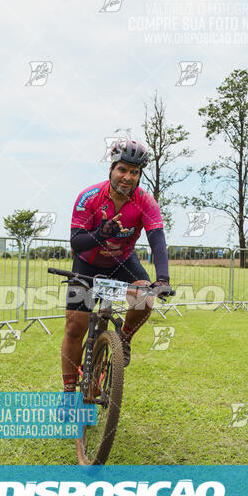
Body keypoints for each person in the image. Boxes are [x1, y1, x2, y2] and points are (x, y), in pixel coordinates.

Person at [62, 139, 172, 392]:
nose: (128, 177)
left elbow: (157, 240)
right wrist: (101, 233)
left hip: (122, 261)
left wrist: (163, 278)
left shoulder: (146, 202)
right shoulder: (89, 197)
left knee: (144, 297)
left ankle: (123, 339)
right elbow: (77, 243)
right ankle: (69, 391)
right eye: (122, 169)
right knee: (74, 327)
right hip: (87, 264)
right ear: (111, 169)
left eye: (135, 172)